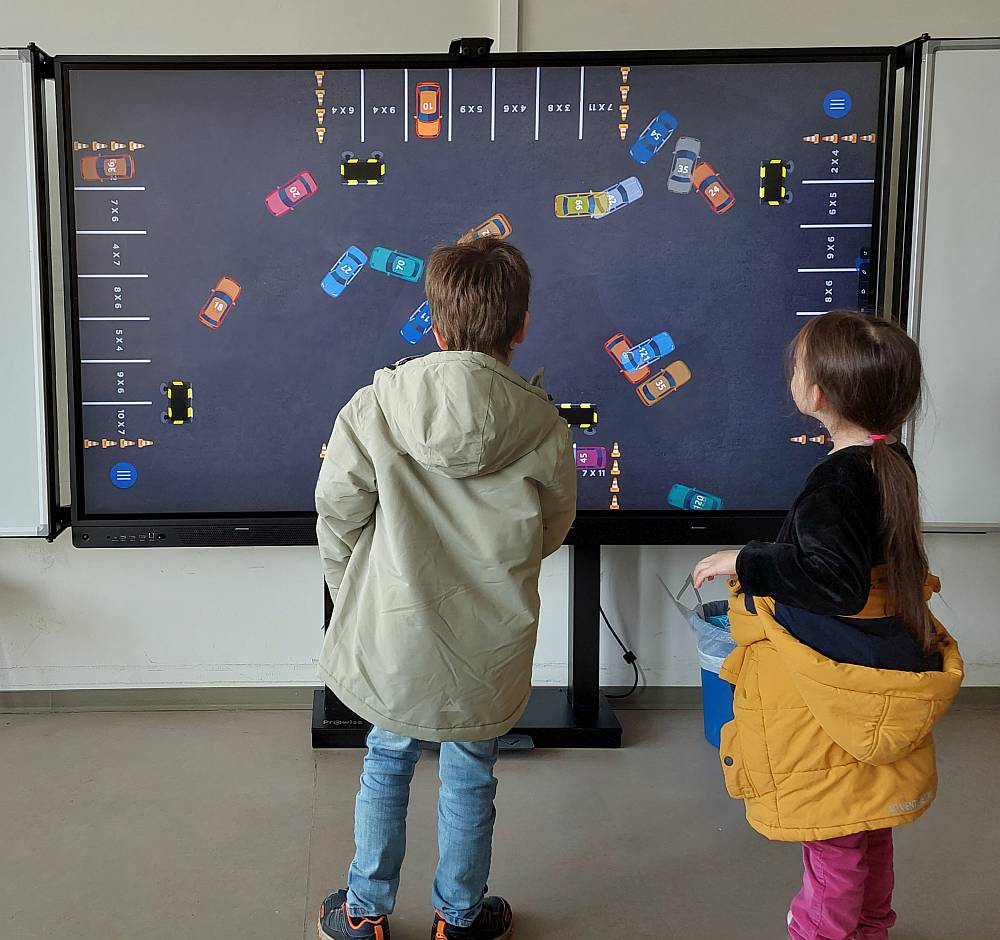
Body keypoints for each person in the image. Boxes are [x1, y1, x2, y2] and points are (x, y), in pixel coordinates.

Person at [313, 238, 577, 940]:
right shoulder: (546, 428)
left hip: (395, 630)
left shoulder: (374, 407)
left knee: (386, 759)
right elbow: (552, 530)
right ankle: (458, 919)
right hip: (489, 642)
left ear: (433, 325)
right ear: (522, 326)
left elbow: (338, 512)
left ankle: (364, 913)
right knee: (472, 771)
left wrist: (355, 590)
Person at [693, 311, 963, 940]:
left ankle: (825, 932)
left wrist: (746, 560)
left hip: (830, 691)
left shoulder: (836, 481)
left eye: (797, 366)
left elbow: (834, 581)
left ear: (816, 395)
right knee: (869, 817)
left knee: (833, 833)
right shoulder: (889, 460)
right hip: (876, 669)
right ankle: (869, 928)